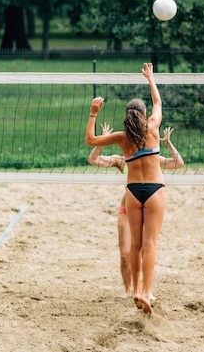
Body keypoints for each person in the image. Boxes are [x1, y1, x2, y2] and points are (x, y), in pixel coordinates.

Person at [86, 62, 164, 315]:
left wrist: (93, 112)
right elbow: (158, 103)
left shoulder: (121, 137)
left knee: (136, 246)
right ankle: (145, 291)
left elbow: (90, 141)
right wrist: (150, 78)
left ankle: (135, 289)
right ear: (143, 115)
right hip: (154, 190)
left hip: (132, 192)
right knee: (151, 244)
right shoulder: (152, 128)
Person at [88, 122, 184, 299]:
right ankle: (129, 290)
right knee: (125, 254)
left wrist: (168, 143)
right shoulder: (122, 159)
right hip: (127, 209)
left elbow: (178, 163)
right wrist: (100, 142)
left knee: (145, 248)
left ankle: (146, 289)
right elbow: (93, 160)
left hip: (146, 204)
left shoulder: (152, 159)